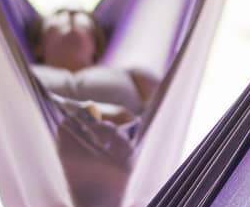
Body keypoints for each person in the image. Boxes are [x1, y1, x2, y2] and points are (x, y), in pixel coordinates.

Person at [28, 8, 160, 126]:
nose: (71, 14)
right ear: (38, 47)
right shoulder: (19, 73)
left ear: (96, 47)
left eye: (80, 16)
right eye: (59, 14)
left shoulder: (136, 77)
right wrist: (96, 113)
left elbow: (167, 117)